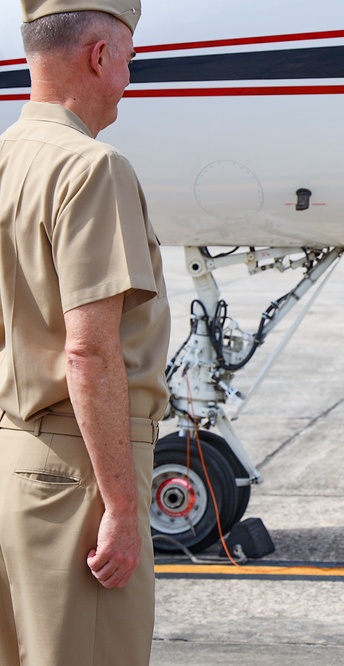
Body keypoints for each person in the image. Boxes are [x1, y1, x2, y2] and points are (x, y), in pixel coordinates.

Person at [0, 2, 170, 665]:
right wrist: (122, 506)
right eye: (130, 58)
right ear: (100, 56)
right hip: (77, 477)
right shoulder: (91, 169)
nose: (130, 77)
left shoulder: (8, 158)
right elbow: (89, 350)